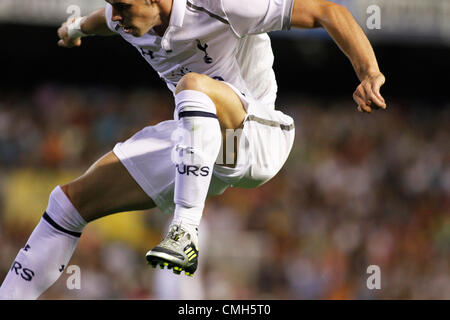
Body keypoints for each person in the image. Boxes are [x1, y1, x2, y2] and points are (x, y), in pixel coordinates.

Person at [0, 0, 386, 299]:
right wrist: (75, 28)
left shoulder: (222, 5)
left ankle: (184, 233)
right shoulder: (127, 16)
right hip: (194, 144)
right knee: (68, 202)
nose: (117, 17)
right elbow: (101, 21)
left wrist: (369, 72)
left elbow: (326, 11)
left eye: (123, 7)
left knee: (193, 85)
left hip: (256, 137)